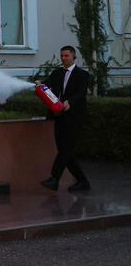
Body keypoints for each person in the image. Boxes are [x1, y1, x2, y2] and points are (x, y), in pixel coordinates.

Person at [40, 45, 90, 192]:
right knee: (64, 150)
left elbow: (81, 93)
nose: (63, 58)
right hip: (59, 117)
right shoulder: (57, 73)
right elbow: (46, 84)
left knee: (65, 149)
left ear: (74, 57)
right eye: (62, 56)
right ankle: (82, 181)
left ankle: (54, 179)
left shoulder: (82, 74)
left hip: (74, 118)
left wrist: (70, 102)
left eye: (66, 56)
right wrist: (39, 84)